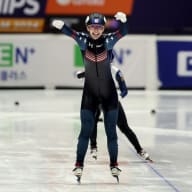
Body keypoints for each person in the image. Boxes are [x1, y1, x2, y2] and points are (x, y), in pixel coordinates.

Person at [52, 12, 128, 182]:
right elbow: (70, 33)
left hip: (109, 95)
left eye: (99, 27)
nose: (96, 30)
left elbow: (123, 32)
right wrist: (62, 26)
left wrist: (123, 21)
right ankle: (79, 164)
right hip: (90, 95)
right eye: (93, 27)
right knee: (85, 131)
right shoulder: (82, 40)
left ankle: (114, 164)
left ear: (103, 28)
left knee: (111, 133)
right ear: (87, 28)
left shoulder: (109, 40)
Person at [77, 67, 152, 162]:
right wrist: (84, 73)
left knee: (124, 127)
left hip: (111, 102)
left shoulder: (114, 70)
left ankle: (140, 149)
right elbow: (78, 74)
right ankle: (93, 146)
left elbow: (124, 90)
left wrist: (117, 97)